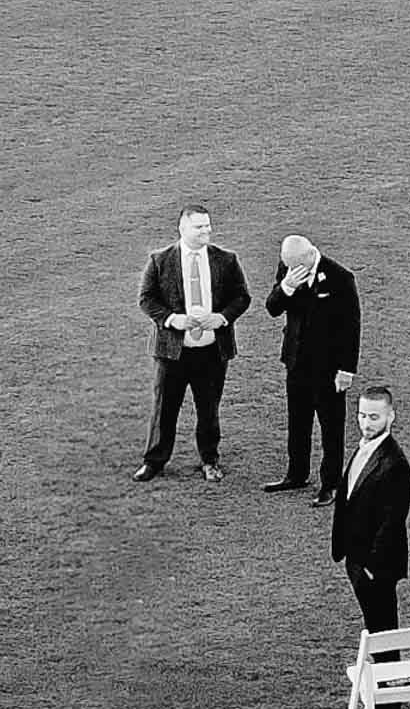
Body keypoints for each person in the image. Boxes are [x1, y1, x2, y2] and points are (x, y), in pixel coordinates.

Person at [133, 205, 251, 483]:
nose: (205, 231)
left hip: (212, 352)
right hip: (173, 352)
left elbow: (242, 297)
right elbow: (146, 299)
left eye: (207, 226)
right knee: (165, 408)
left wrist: (222, 318)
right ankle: (154, 461)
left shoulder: (226, 260)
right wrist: (173, 319)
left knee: (209, 409)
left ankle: (210, 459)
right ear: (182, 228)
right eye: (199, 227)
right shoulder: (160, 260)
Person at [261, 235, 362, 503]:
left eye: (293, 266)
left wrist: (346, 370)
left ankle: (331, 483)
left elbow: (352, 328)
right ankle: (296, 474)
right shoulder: (288, 271)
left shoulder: (340, 278)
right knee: (298, 422)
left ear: (308, 257)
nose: (289, 270)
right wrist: (286, 287)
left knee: (331, 427)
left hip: (328, 368)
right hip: (296, 363)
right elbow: (272, 308)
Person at [328, 385, 410, 634]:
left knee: (383, 630)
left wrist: (371, 567)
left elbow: (392, 522)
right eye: (362, 415)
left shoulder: (395, 464)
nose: (366, 423)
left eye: (374, 417)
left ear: (391, 416)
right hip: (357, 558)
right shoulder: (366, 448)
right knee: (377, 627)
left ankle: (387, 671)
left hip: (376, 567)